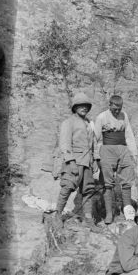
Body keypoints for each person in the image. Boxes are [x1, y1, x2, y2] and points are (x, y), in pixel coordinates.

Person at [53, 92, 100, 232]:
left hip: (88, 162)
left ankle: (88, 220)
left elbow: (94, 143)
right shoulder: (68, 122)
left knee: (88, 191)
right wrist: (71, 162)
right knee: (67, 187)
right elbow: (65, 144)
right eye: (80, 105)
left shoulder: (89, 123)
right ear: (75, 107)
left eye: (86, 106)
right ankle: (57, 216)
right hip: (74, 161)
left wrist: (95, 160)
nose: (84, 108)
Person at [94, 95, 137, 224]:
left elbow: (129, 134)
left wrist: (133, 153)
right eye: (115, 108)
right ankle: (109, 213)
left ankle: (127, 211)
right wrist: (96, 156)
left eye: (119, 108)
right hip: (107, 149)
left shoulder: (124, 116)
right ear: (110, 105)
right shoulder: (101, 117)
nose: (117, 111)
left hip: (123, 149)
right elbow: (95, 138)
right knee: (107, 182)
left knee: (127, 178)